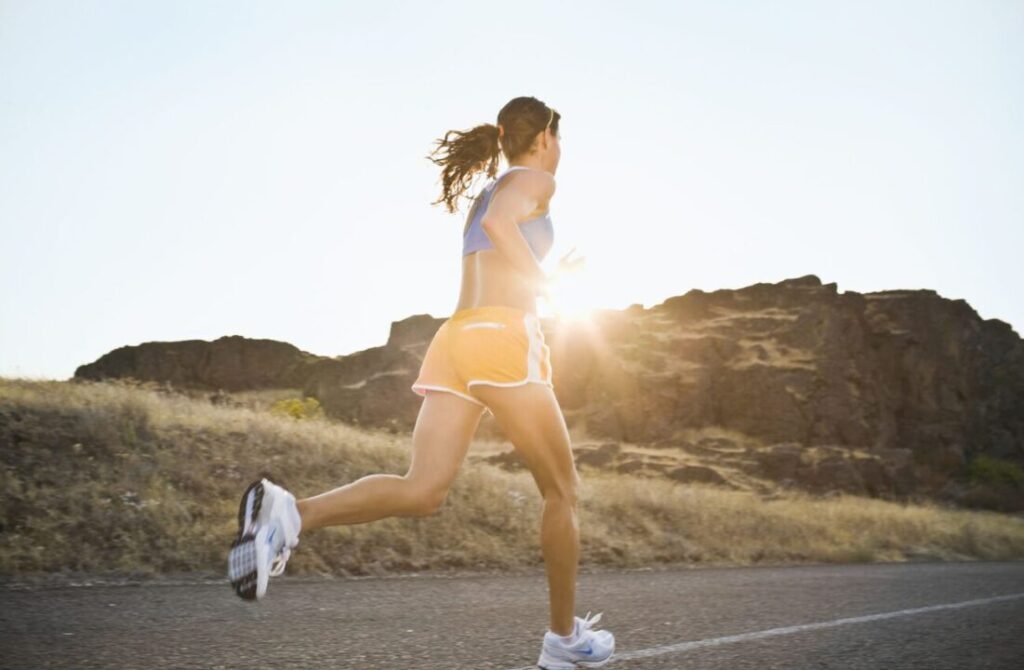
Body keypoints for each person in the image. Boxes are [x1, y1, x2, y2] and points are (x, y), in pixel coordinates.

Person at [227, 95, 615, 669]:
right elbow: (499, 226)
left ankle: (291, 514)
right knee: (562, 493)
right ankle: (564, 641)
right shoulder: (534, 179)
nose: (560, 152)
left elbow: (493, 233)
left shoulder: (494, 186)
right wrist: (550, 284)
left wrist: (541, 276)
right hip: (501, 339)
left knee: (423, 489)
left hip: (455, 341)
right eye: (559, 140)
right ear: (544, 138)